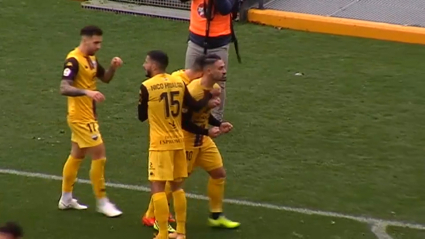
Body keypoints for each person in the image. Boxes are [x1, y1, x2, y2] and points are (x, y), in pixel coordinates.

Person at [142, 54, 240, 233]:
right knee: (174, 183)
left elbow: (201, 112)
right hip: (187, 141)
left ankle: (216, 216)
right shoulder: (193, 90)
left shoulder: (214, 88)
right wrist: (207, 130)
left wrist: (218, 123)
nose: (225, 70)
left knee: (218, 173)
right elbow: (184, 120)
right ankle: (153, 215)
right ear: (207, 71)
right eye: (221, 68)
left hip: (203, 141)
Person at [58, 25, 123, 218]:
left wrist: (113, 67)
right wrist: (87, 92)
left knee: (77, 154)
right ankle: (102, 201)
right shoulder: (73, 60)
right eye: (96, 42)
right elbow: (63, 87)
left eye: (100, 42)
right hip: (80, 117)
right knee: (99, 155)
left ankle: (66, 198)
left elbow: (105, 78)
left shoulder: (92, 59)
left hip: (88, 115)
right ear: (85, 40)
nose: (99, 46)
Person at [182, 0, 242, 121]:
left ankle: (216, 118)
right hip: (196, 41)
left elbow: (225, 8)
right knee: (189, 78)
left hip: (219, 43)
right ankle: (188, 113)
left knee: (218, 82)